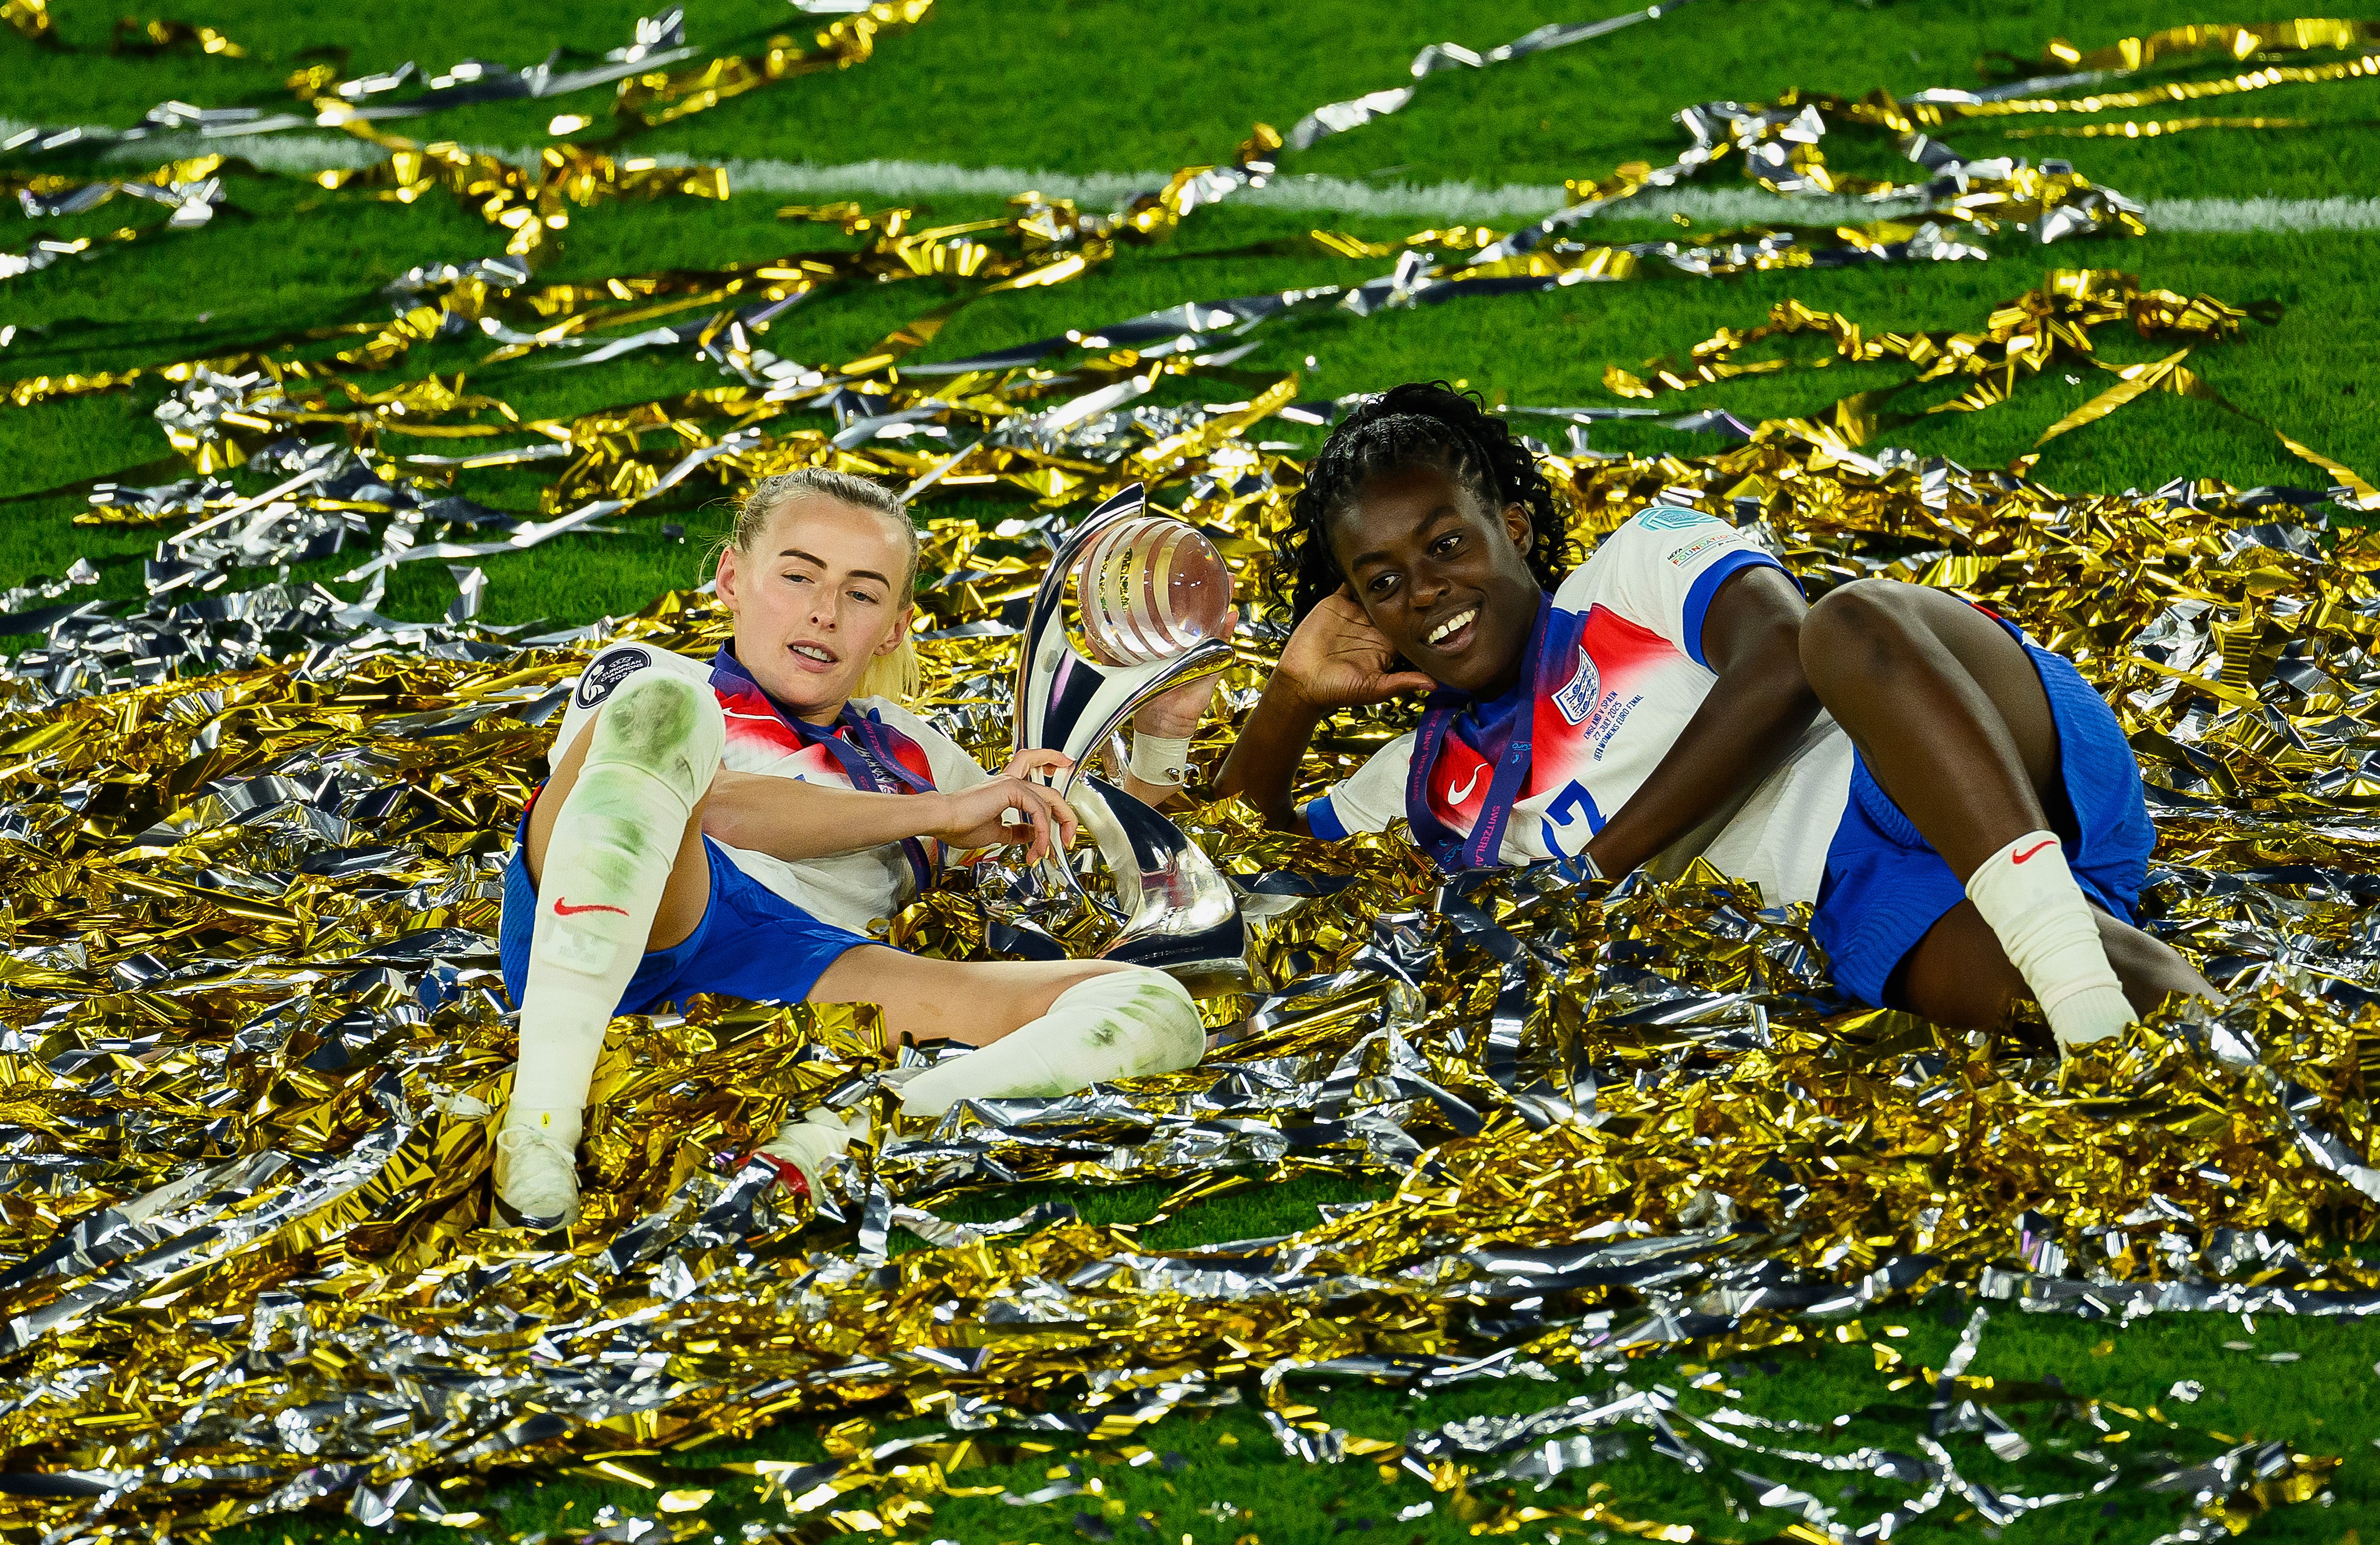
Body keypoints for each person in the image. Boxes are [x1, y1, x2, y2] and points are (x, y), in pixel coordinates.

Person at [1215, 382, 2215, 1046]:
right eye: (1382, 581)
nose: (1425, 591)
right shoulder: (1419, 784)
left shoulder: (1632, 564)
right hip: (1844, 892)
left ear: (1511, 525)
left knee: (1847, 621)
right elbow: (1229, 868)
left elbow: (1784, 656)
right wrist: (1290, 699)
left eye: (1444, 545)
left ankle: (2050, 928)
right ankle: (2210, 1040)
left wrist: (1596, 873)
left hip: (1942, 735)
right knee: (2070, 1000)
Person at [494, 468, 1228, 1226]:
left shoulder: (914, 750)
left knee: (1153, 1007)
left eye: (862, 593)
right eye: (798, 575)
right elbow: (724, 809)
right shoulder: (651, 675)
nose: (823, 613)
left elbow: (1087, 882)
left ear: (896, 627)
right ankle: (539, 1130)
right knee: (664, 716)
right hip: (634, 909)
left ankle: (839, 1143)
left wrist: (1157, 745)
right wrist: (937, 814)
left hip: (799, 968)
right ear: (731, 578)